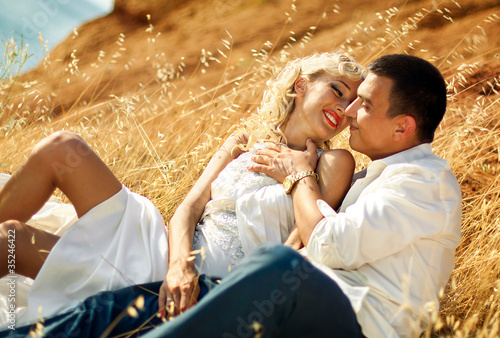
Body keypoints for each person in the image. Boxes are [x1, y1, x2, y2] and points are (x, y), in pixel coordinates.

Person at [0, 53, 462, 338]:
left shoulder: (332, 164)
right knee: (50, 172)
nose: (345, 109)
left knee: (14, 243)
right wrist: (179, 262)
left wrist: (233, 288)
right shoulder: (243, 141)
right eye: (339, 92)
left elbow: (305, 244)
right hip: (164, 247)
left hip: (221, 279)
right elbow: (188, 207)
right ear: (301, 85)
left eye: (356, 101)